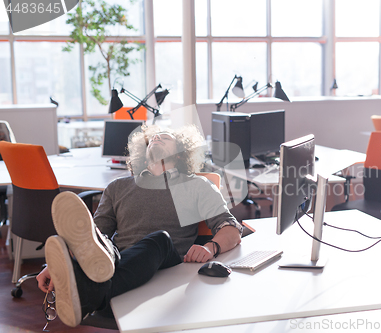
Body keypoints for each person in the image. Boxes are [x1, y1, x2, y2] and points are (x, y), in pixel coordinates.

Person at [36, 124, 242, 327]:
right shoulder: (117, 187)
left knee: (159, 239)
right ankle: (87, 289)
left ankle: (89, 295)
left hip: (166, 267)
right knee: (104, 244)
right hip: (115, 264)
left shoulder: (196, 185)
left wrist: (209, 247)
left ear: (180, 154)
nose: (157, 138)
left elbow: (231, 229)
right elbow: (92, 237)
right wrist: (56, 267)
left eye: (166, 137)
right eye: (153, 138)